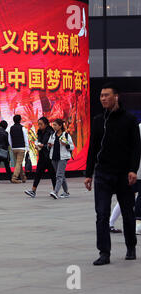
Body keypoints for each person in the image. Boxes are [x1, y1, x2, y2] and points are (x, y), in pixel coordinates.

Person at [85, 82, 141, 266]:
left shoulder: (129, 120)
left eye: (106, 95)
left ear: (116, 97)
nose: (103, 98)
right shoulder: (98, 120)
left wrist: (133, 169)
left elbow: (136, 148)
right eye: (101, 95)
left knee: (128, 213)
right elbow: (93, 147)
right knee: (101, 214)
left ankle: (131, 247)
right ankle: (104, 252)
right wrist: (88, 173)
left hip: (124, 174)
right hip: (102, 173)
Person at [109, 122, 141, 235]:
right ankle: (137, 224)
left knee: (126, 197)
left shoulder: (136, 127)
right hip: (135, 170)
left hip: (131, 169)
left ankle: (111, 223)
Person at [24, 117, 56, 198]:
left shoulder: (51, 132)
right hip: (42, 155)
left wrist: (43, 146)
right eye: (39, 124)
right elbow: (39, 140)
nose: (39, 126)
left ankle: (56, 190)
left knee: (53, 174)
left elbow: (51, 144)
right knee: (38, 173)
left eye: (41, 124)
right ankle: (33, 190)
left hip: (49, 156)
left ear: (46, 124)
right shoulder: (39, 132)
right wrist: (37, 145)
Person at [47, 119, 74, 199]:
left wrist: (66, 145)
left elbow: (72, 146)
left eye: (55, 125)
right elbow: (49, 146)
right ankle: (66, 192)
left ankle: (55, 192)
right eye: (53, 125)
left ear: (60, 126)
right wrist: (49, 146)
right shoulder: (52, 135)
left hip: (63, 157)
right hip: (54, 157)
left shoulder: (66, 135)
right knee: (61, 175)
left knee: (59, 175)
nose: (54, 127)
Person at [9, 115, 29, 183]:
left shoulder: (11, 128)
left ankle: (23, 177)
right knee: (18, 163)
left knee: (18, 163)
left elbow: (9, 139)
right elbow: (25, 138)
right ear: (20, 120)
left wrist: (12, 147)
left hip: (14, 148)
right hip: (21, 148)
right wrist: (27, 147)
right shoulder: (22, 128)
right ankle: (14, 178)